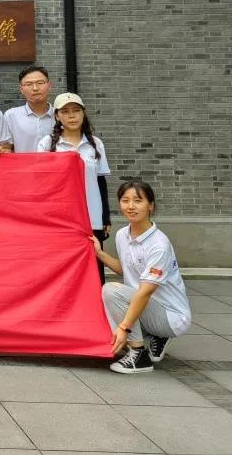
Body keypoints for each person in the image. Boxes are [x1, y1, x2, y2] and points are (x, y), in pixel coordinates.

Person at [92, 180, 191, 374]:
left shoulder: (159, 245)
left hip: (171, 316)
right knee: (107, 320)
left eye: (138, 201)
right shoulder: (122, 235)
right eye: (125, 200)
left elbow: (145, 292)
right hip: (149, 308)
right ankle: (156, 336)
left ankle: (139, 356)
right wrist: (99, 253)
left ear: (150, 205)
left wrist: (124, 328)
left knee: (111, 291)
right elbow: (127, 270)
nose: (131, 206)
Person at [38, 92, 111, 283]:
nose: (72, 116)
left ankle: (96, 302)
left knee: (94, 266)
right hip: (61, 217)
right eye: (65, 111)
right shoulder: (47, 144)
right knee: (63, 268)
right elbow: (42, 184)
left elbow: (101, 181)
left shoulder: (96, 144)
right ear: (57, 116)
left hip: (91, 215)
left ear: (83, 113)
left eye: (76, 111)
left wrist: (105, 217)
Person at [4, 65, 55, 153]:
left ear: (49, 85)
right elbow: (6, 148)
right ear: (21, 89)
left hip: (55, 162)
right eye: (29, 84)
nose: (35, 88)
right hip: (23, 162)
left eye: (40, 83)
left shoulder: (60, 115)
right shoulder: (11, 116)